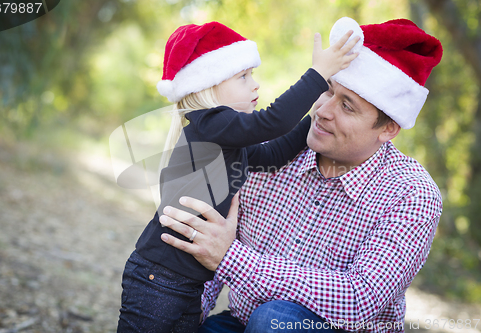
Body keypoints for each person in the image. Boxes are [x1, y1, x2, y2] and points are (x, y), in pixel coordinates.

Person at [159, 17, 444, 333]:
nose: (322, 110)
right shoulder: (268, 154)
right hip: (240, 323)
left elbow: (359, 298)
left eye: (347, 106)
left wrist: (230, 259)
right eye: (326, 91)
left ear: (388, 129)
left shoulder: (410, 192)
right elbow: (211, 240)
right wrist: (186, 312)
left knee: (273, 321)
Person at [117, 21, 360, 333]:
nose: (254, 85)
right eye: (243, 77)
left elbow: (275, 153)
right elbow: (273, 123)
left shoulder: (227, 143)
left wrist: (316, 116)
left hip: (186, 282)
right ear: (210, 85)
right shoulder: (209, 124)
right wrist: (317, 76)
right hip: (158, 278)